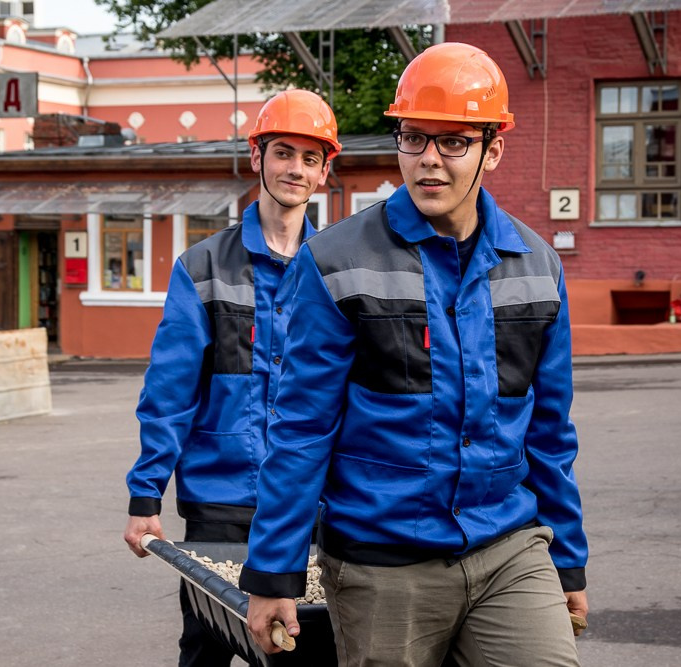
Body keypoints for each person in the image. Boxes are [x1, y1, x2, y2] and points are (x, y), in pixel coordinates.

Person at [240, 43, 588, 666]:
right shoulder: (338, 261)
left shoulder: (538, 268)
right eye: (413, 137)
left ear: (493, 148)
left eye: (453, 141)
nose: (429, 159)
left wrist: (568, 560)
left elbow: (549, 432)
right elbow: (300, 430)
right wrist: (274, 572)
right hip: (384, 560)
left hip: (508, 546)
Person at [122, 89, 341, 666]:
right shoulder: (202, 268)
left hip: (309, 502)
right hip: (221, 502)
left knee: (304, 651)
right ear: (258, 158)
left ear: (325, 172)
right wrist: (146, 494)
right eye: (284, 152)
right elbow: (169, 392)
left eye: (311, 158)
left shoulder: (341, 270)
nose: (296, 168)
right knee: (207, 648)